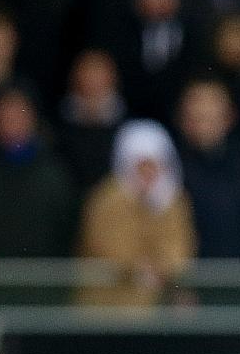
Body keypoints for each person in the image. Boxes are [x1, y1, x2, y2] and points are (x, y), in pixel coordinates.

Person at [75, 119, 195, 307]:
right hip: (109, 305)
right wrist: (139, 268)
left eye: (154, 164)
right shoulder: (107, 199)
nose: (148, 173)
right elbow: (108, 248)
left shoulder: (172, 200)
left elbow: (180, 245)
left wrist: (163, 267)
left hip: (157, 306)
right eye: (141, 165)